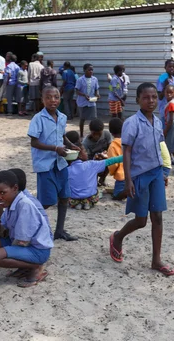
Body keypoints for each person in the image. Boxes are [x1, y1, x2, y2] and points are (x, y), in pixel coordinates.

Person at [109, 82, 174, 277]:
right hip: (139, 176)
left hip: (156, 173)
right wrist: (128, 180)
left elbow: (160, 148)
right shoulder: (132, 123)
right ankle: (118, 237)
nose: (151, 101)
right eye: (146, 97)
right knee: (141, 221)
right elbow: (127, 152)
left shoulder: (157, 121)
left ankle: (156, 260)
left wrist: (164, 171)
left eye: (154, 97)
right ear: (138, 99)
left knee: (158, 217)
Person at [0, 170, 53, 288]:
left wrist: (7, 252)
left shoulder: (24, 205)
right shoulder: (10, 203)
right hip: (22, 243)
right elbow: (0, 233)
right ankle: (25, 266)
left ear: (15, 188)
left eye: (2, 192)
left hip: (37, 250)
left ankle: (35, 267)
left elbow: (22, 242)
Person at [28, 86, 80, 241]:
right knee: (47, 200)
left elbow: (61, 135)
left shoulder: (62, 117)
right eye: (49, 97)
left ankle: (60, 231)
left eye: (56, 97)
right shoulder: (38, 118)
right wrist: (55, 148)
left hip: (60, 163)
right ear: (42, 100)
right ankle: (30, 227)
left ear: (60, 98)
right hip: (45, 164)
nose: (53, 100)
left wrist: (71, 145)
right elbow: (34, 142)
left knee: (64, 197)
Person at [67, 132, 123, 209]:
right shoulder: (92, 164)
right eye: (84, 151)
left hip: (73, 199)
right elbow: (111, 161)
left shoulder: (67, 170)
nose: (86, 153)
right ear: (79, 154)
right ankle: (87, 203)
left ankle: (78, 203)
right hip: (91, 198)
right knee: (99, 192)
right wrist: (125, 156)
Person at [75, 63, 100, 138]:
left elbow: (96, 89)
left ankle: (93, 134)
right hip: (83, 102)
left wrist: (97, 95)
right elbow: (77, 91)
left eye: (92, 70)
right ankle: (81, 134)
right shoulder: (80, 80)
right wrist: (84, 95)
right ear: (84, 70)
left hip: (91, 102)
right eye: (89, 70)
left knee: (94, 119)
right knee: (82, 119)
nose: (91, 71)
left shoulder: (95, 79)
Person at [107, 118, 126, 200]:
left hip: (121, 176)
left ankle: (128, 193)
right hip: (134, 173)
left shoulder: (113, 145)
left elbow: (113, 164)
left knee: (116, 195)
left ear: (110, 131)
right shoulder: (128, 141)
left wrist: (112, 172)